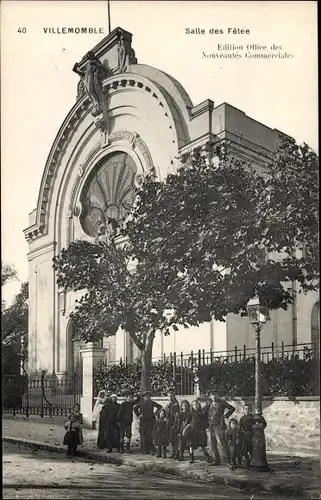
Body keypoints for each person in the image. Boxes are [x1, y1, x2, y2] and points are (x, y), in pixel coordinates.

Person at [203, 390, 235, 466]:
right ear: (210, 396)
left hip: (219, 425)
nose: (213, 396)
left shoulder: (222, 403)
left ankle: (227, 461)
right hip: (210, 425)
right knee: (211, 443)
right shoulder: (209, 404)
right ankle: (216, 460)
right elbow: (204, 413)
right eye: (212, 395)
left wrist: (226, 416)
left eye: (215, 394)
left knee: (221, 443)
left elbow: (232, 408)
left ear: (217, 395)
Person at [239, 403, 266, 468]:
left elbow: (261, 423)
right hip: (244, 435)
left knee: (251, 449)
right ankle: (247, 462)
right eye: (245, 409)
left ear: (251, 410)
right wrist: (240, 435)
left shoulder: (253, 417)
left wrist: (260, 425)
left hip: (252, 435)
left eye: (248, 409)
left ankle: (253, 462)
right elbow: (240, 427)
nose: (247, 410)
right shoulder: (242, 418)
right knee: (244, 449)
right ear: (243, 410)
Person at [189, 399, 211, 464]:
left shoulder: (202, 413)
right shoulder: (190, 413)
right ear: (192, 406)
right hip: (193, 430)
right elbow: (188, 421)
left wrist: (204, 428)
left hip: (200, 430)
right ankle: (191, 457)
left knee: (202, 444)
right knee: (191, 444)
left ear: (199, 405)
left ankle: (207, 456)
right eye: (194, 405)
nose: (195, 406)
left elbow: (205, 421)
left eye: (197, 404)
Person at [164, 390, 180, 459]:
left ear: (174, 396)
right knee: (171, 439)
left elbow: (177, 415)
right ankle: (173, 453)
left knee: (175, 440)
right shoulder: (168, 405)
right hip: (168, 423)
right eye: (168, 396)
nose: (170, 397)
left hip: (174, 423)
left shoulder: (176, 405)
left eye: (171, 396)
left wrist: (175, 424)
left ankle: (177, 454)